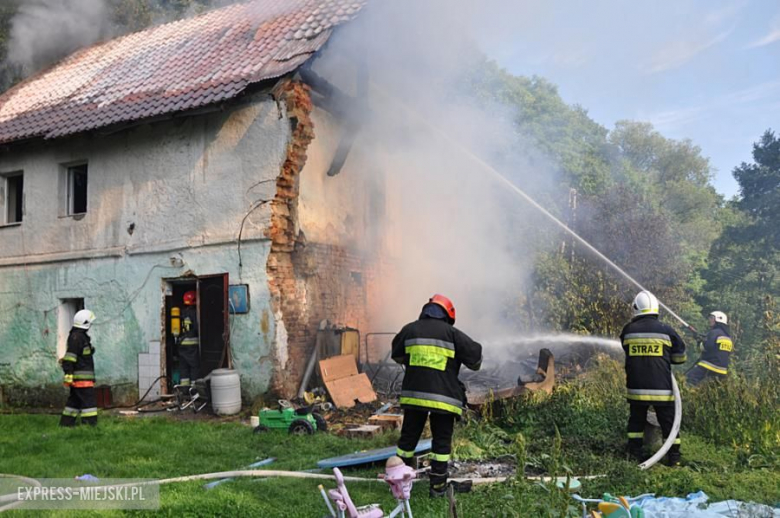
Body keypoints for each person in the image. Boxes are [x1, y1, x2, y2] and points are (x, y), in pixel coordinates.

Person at [392, 294, 483, 497]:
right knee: (441, 442)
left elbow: (396, 354)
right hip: (444, 399)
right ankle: (438, 487)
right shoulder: (453, 334)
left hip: (414, 396)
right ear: (448, 315)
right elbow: (476, 359)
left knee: (407, 440)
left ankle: (398, 481)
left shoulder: (410, 329)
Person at [620, 291, 686, 466]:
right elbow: (680, 358)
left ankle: (634, 454)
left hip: (636, 389)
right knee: (669, 424)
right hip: (662, 389)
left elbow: (626, 350)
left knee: (636, 422)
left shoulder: (628, 330)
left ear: (636, 308)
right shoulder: (666, 330)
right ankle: (674, 458)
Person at [60, 309, 98, 427]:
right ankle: (89, 426)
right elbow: (70, 357)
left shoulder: (80, 337)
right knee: (88, 404)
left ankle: (66, 424)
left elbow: (82, 355)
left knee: (74, 402)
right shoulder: (77, 338)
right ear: (86, 323)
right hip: (82, 380)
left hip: (81, 379)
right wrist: (69, 374)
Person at [686, 311, 733, 387]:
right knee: (712, 389)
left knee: (690, 379)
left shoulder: (714, 332)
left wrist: (699, 342)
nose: (709, 320)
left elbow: (705, 347)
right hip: (722, 370)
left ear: (718, 320)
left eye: (712, 318)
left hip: (709, 365)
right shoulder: (727, 337)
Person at [178, 290, 200, 387]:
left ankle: (184, 390)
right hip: (192, 346)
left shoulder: (181, 312)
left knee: (183, 368)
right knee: (194, 367)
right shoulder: (195, 313)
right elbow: (196, 328)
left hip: (181, 345)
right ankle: (194, 391)